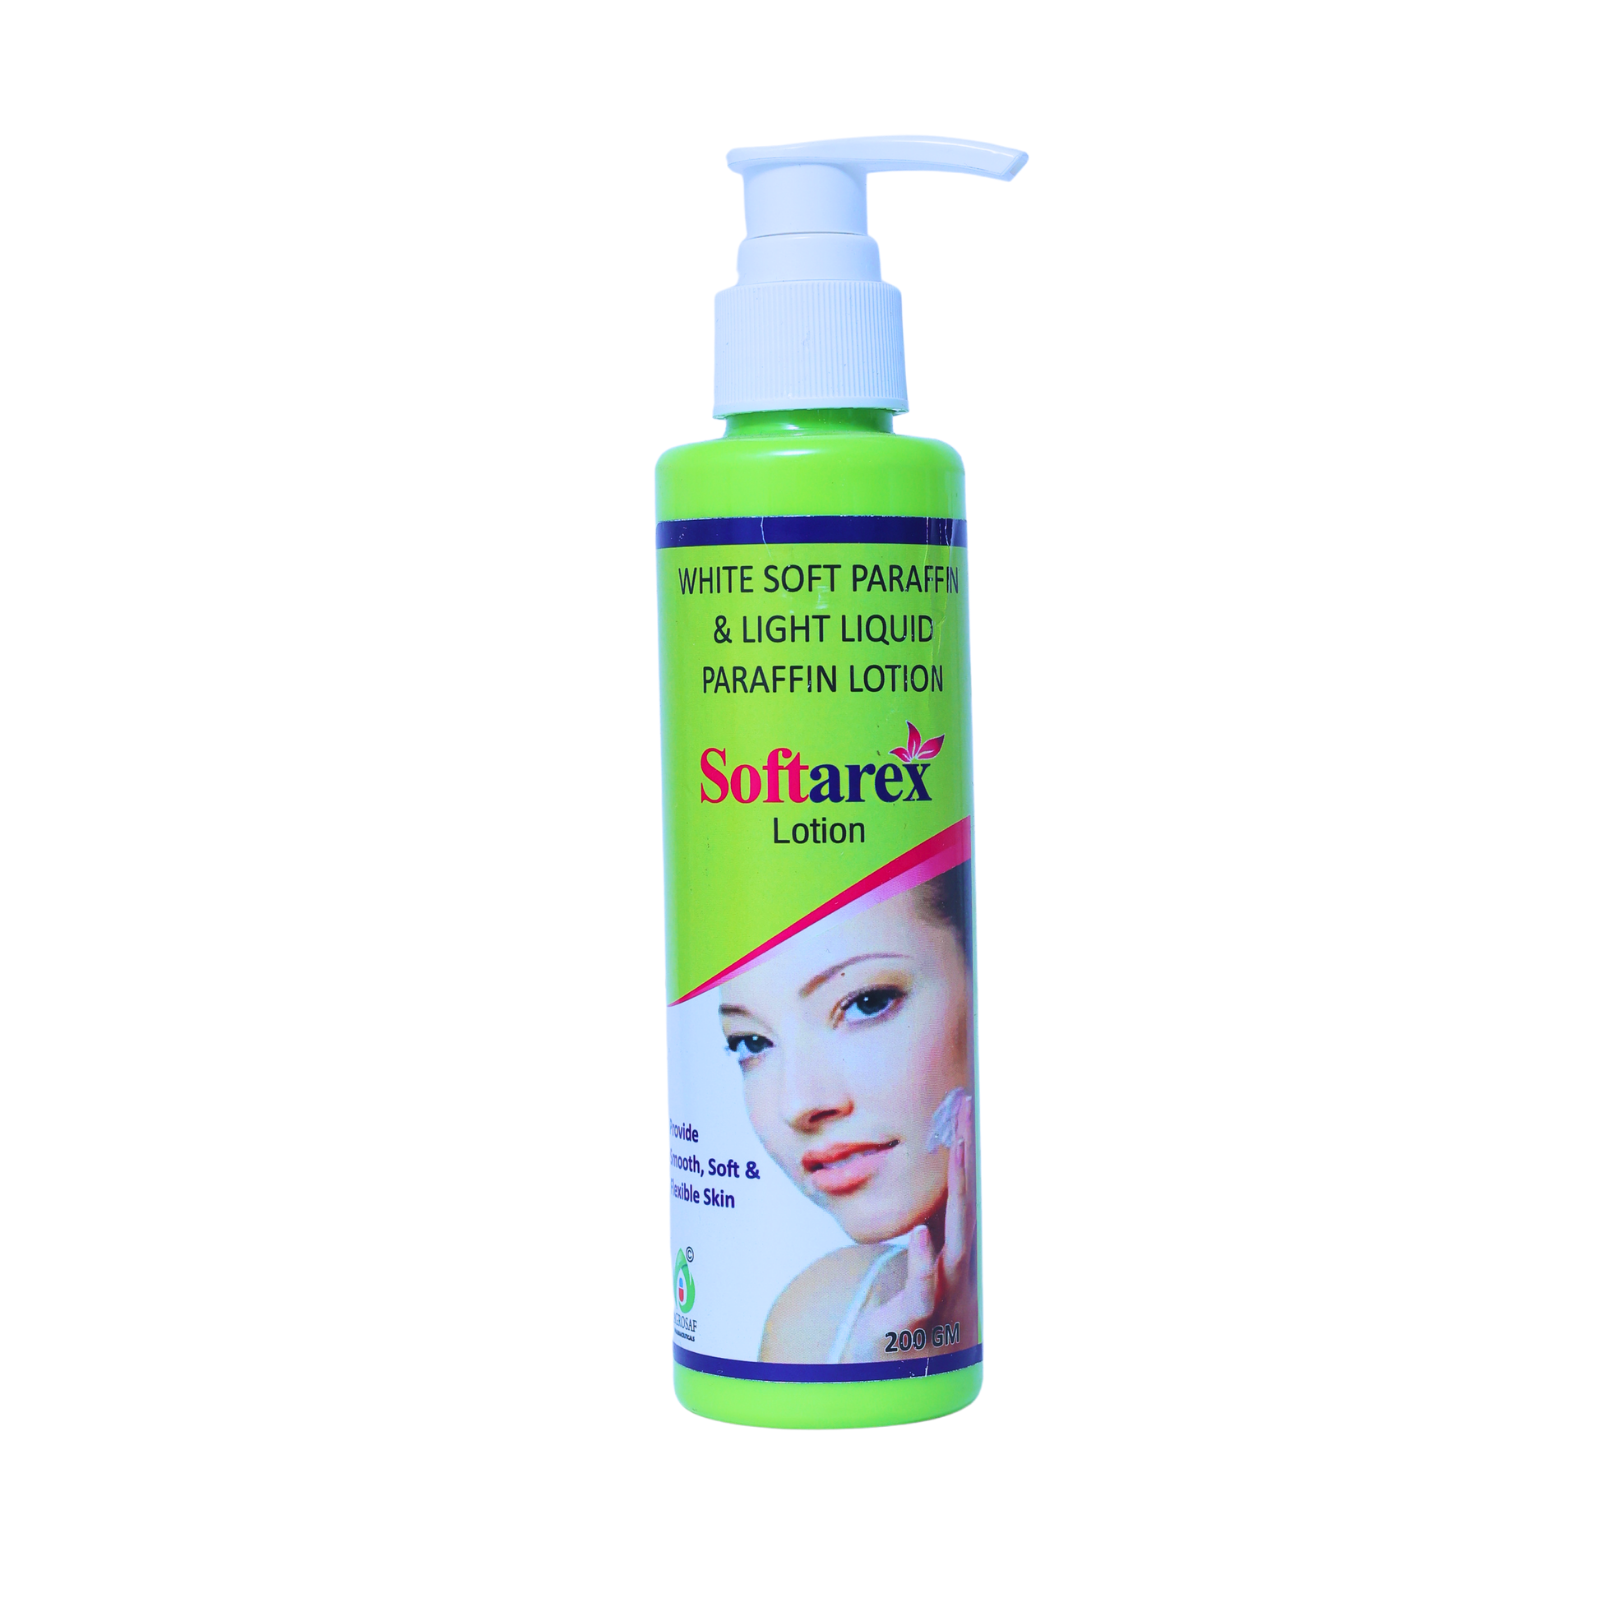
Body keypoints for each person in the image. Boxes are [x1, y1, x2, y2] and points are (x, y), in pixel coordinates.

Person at [718, 866, 979, 1363]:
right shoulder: (827, 1320)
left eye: (866, 1002)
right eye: (751, 1042)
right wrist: (879, 1362)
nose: (798, 1104)